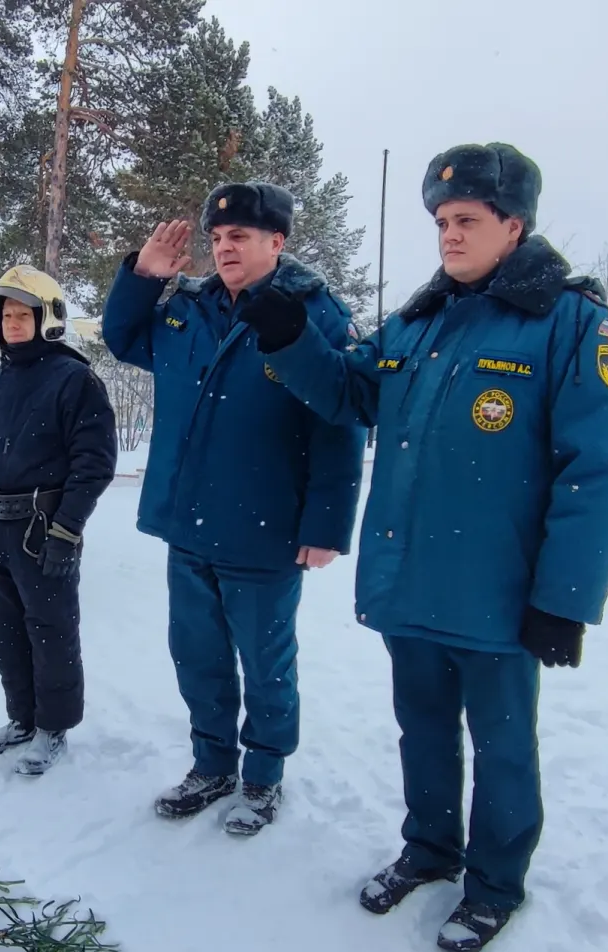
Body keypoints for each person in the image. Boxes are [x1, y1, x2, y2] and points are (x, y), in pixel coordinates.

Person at [248, 143, 608, 952]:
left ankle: (495, 883)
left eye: (466, 220)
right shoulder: (418, 321)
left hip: (500, 593)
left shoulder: (569, 323)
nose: (449, 236)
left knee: (502, 746)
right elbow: (351, 393)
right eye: (440, 222)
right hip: (414, 579)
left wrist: (564, 600)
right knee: (421, 727)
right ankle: (430, 848)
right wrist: (291, 337)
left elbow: (598, 472)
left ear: (515, 224)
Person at [103, 182, 367, 837]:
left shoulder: (316, 313)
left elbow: (341, 421)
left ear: (277, 242)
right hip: (187, 519)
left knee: (266, 664)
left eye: (240, 237)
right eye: (218, 238)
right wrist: (142, 277)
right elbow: (121, 338)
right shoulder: (184, 308)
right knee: (197, 656)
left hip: (265, 527)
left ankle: (264, 776)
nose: (225, 247)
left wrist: (327, 525)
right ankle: (211, 764)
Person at [0, 267, 116, 776]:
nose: (13, 323)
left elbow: (95, 463)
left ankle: (53, 728)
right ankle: (21, 718)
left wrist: (67, 528)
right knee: (5, 632)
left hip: (43, 528)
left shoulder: (74, 378)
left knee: (51, 631)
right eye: (6, 315)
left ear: (47, 316)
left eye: (23, 314)